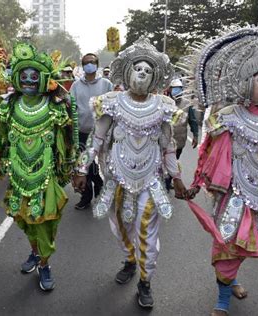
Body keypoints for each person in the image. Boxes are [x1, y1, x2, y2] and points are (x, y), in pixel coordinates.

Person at [72, 38, 188, 308]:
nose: (142, 74)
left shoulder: (163, 107)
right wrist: (81, 168)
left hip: (150, 181)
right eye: (138, 69)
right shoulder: (111, 103)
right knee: (120, 227)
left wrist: (178, 179)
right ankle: (129, 260)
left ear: (154, 78)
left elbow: (168, 147)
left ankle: (145, 283)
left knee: (147, 232)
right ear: (128, 72)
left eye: (148, 71)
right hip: (117, 179)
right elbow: (96, 140)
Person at [184, 25, 258, 316]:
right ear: (245, 83)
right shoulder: (229, 118)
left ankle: (231, 280)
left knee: (249, 246)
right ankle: (223, 298)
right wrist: (198, 184)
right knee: (227, 245)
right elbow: (209, 156)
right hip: (236, 194)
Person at [0, 43, 78, 291]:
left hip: (46, 175)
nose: (28, 80)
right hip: (18, 174)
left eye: (34, 76)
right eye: (24, 76)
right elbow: (2, 133)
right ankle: (35, 254)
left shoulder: (55, 106)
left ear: (44, 79)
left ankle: (45, 264)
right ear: (16, 78)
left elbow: (69, 138)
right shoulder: (8, 105)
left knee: (46, 222)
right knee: (27, 221)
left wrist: (71, 160)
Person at [70, 53, 112, 210]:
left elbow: (112, 106)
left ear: (97, 64)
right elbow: (71, 106)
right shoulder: (76, 86)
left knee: (103, 163)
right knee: (83, 165)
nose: (89, 65)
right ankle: (86, 196)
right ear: (82, 66)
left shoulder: (106, 84)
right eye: (86, 63)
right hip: (81, 132)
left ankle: (103, 187)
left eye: (92, 62)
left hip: (102, 133)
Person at [164, 78, 199, 191]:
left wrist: (195, 135)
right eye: (174, 89)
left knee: (174, 161)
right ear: (170, 89)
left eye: (179, 89)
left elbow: (192, 120)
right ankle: (165, 181)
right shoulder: (164, 101)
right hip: (165, 139)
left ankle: (168, 181)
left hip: (180, 140)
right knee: (164, 161)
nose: (176, 91)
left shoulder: (186, 104)